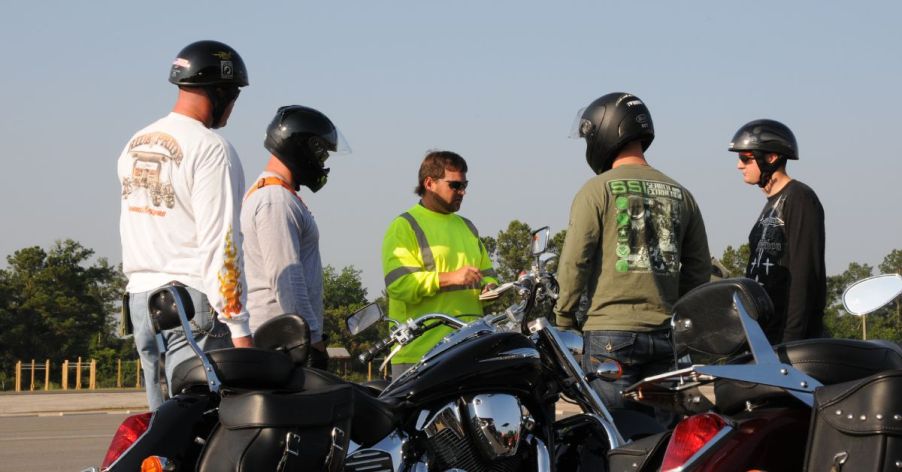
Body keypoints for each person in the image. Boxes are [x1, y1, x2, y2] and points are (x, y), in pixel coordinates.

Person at [554, 92, 711, 412]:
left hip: (610, 336)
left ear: (605, 131)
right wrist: (675, 312)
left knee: (612, 434)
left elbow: (574, 262)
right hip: (667, 335)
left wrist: (564, 319)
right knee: (664, 435)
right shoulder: (682, 194)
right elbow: (698, 270)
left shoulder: (596, 190)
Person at [118, 40, 252, 410]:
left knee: (165, 430)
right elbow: (222, 245)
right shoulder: (211, 148)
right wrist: (240, 331)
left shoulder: (135, 144)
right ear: (221, 92)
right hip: (192, 306)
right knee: (212, 427)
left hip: (142, 304)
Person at [241, 105, 351, 370]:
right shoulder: (275, 200)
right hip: (283, 343)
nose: (323, 162)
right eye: (321, 152)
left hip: (286, 340)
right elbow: (287, 279)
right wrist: (312, 340)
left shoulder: (276, 194)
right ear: (302, 147)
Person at [381, 151, 498, 379]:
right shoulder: (404, 226)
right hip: (420, 355)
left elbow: (488, 275)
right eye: (455, 185)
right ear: (429, 183)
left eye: (465, 185)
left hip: (469, 349)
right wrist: (450, 277)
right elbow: (399, 284)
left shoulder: (467, 227)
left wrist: (491, 287)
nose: (462, 192)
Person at [728, 119, 826, 343]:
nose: (739, 166)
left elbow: (804, 275)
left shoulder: (799, 198)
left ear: (771, 157)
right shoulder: (772, 205)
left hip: (787, 340)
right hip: (764, 336)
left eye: (745, 158)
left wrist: (790, 342)